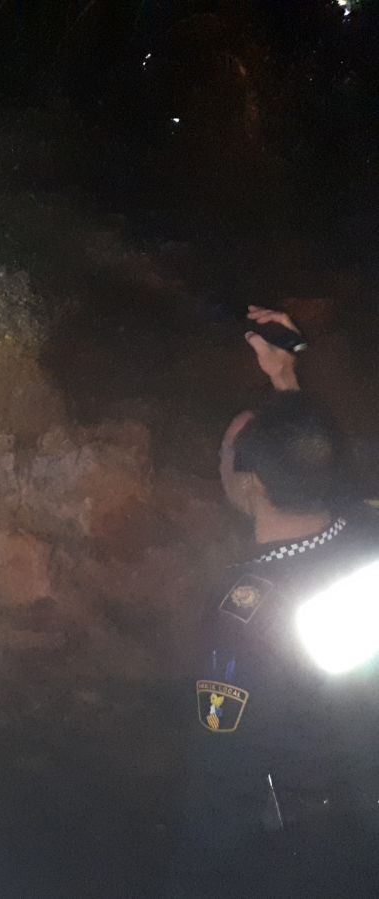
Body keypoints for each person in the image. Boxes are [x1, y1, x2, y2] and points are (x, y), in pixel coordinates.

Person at [166, 307, 379, 897]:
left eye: (231, 450)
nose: (221, 459)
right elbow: (325, 467)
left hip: (310, 855)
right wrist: (286, 381)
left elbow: (222, 776)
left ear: (252, 483)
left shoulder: (247, 611)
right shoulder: (365, 540)